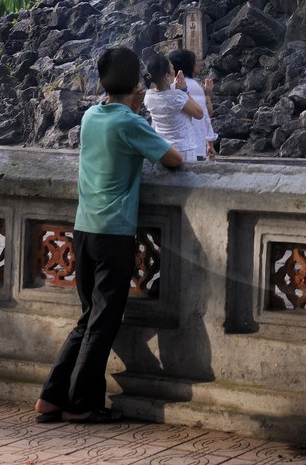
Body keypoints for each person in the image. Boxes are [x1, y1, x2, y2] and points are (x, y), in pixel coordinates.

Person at [37, 46, 183, 424]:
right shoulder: (129, 122)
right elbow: (173, 159)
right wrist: (138, 113)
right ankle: (82, 403)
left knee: (89, 317)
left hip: (83, 229)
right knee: (103, 321)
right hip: (114, 232)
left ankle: (52, 396)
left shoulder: (89, 117)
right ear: (136, 84)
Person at [141, 51, 204, 163]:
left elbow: (164, 93)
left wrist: (175, 88)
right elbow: (199, 113)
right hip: (184, 149)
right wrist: (184, 90)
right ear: (167, 76)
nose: (175, 71)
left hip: (164, 149)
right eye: (172, 69)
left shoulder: (148, 96)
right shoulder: (177, 96)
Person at [169, 49, 217, 161]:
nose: (198, 64)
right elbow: (205, 115)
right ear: (188, 65)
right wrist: (210, 143)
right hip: (193, 145)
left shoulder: (169, 87)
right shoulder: (192, 86)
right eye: (196, 62)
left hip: (170, 146)